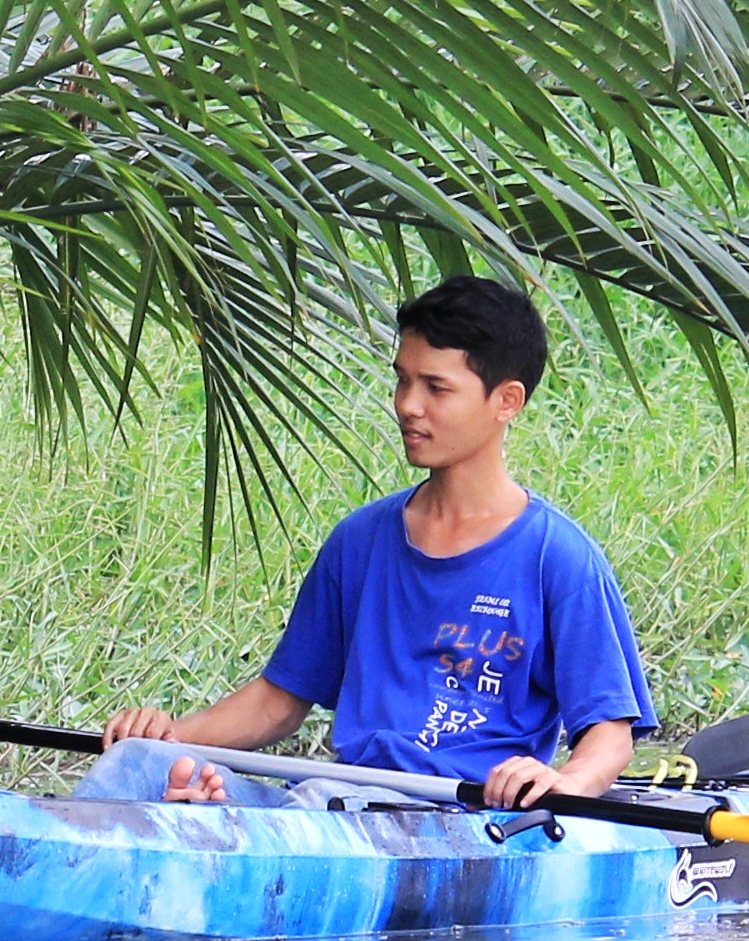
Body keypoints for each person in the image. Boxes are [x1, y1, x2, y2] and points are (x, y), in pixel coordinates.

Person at [71, 274, 653, 811]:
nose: (407, 405)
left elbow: (609, 733)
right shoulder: (360, 540)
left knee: (314, 803)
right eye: (402, 379)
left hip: (456, 820)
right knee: (135, 770)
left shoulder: (561, 559)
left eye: (436, 387)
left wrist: (566, 782)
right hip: (335, 802)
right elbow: (280, 700)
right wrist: (165, 738)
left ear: (506, 401)